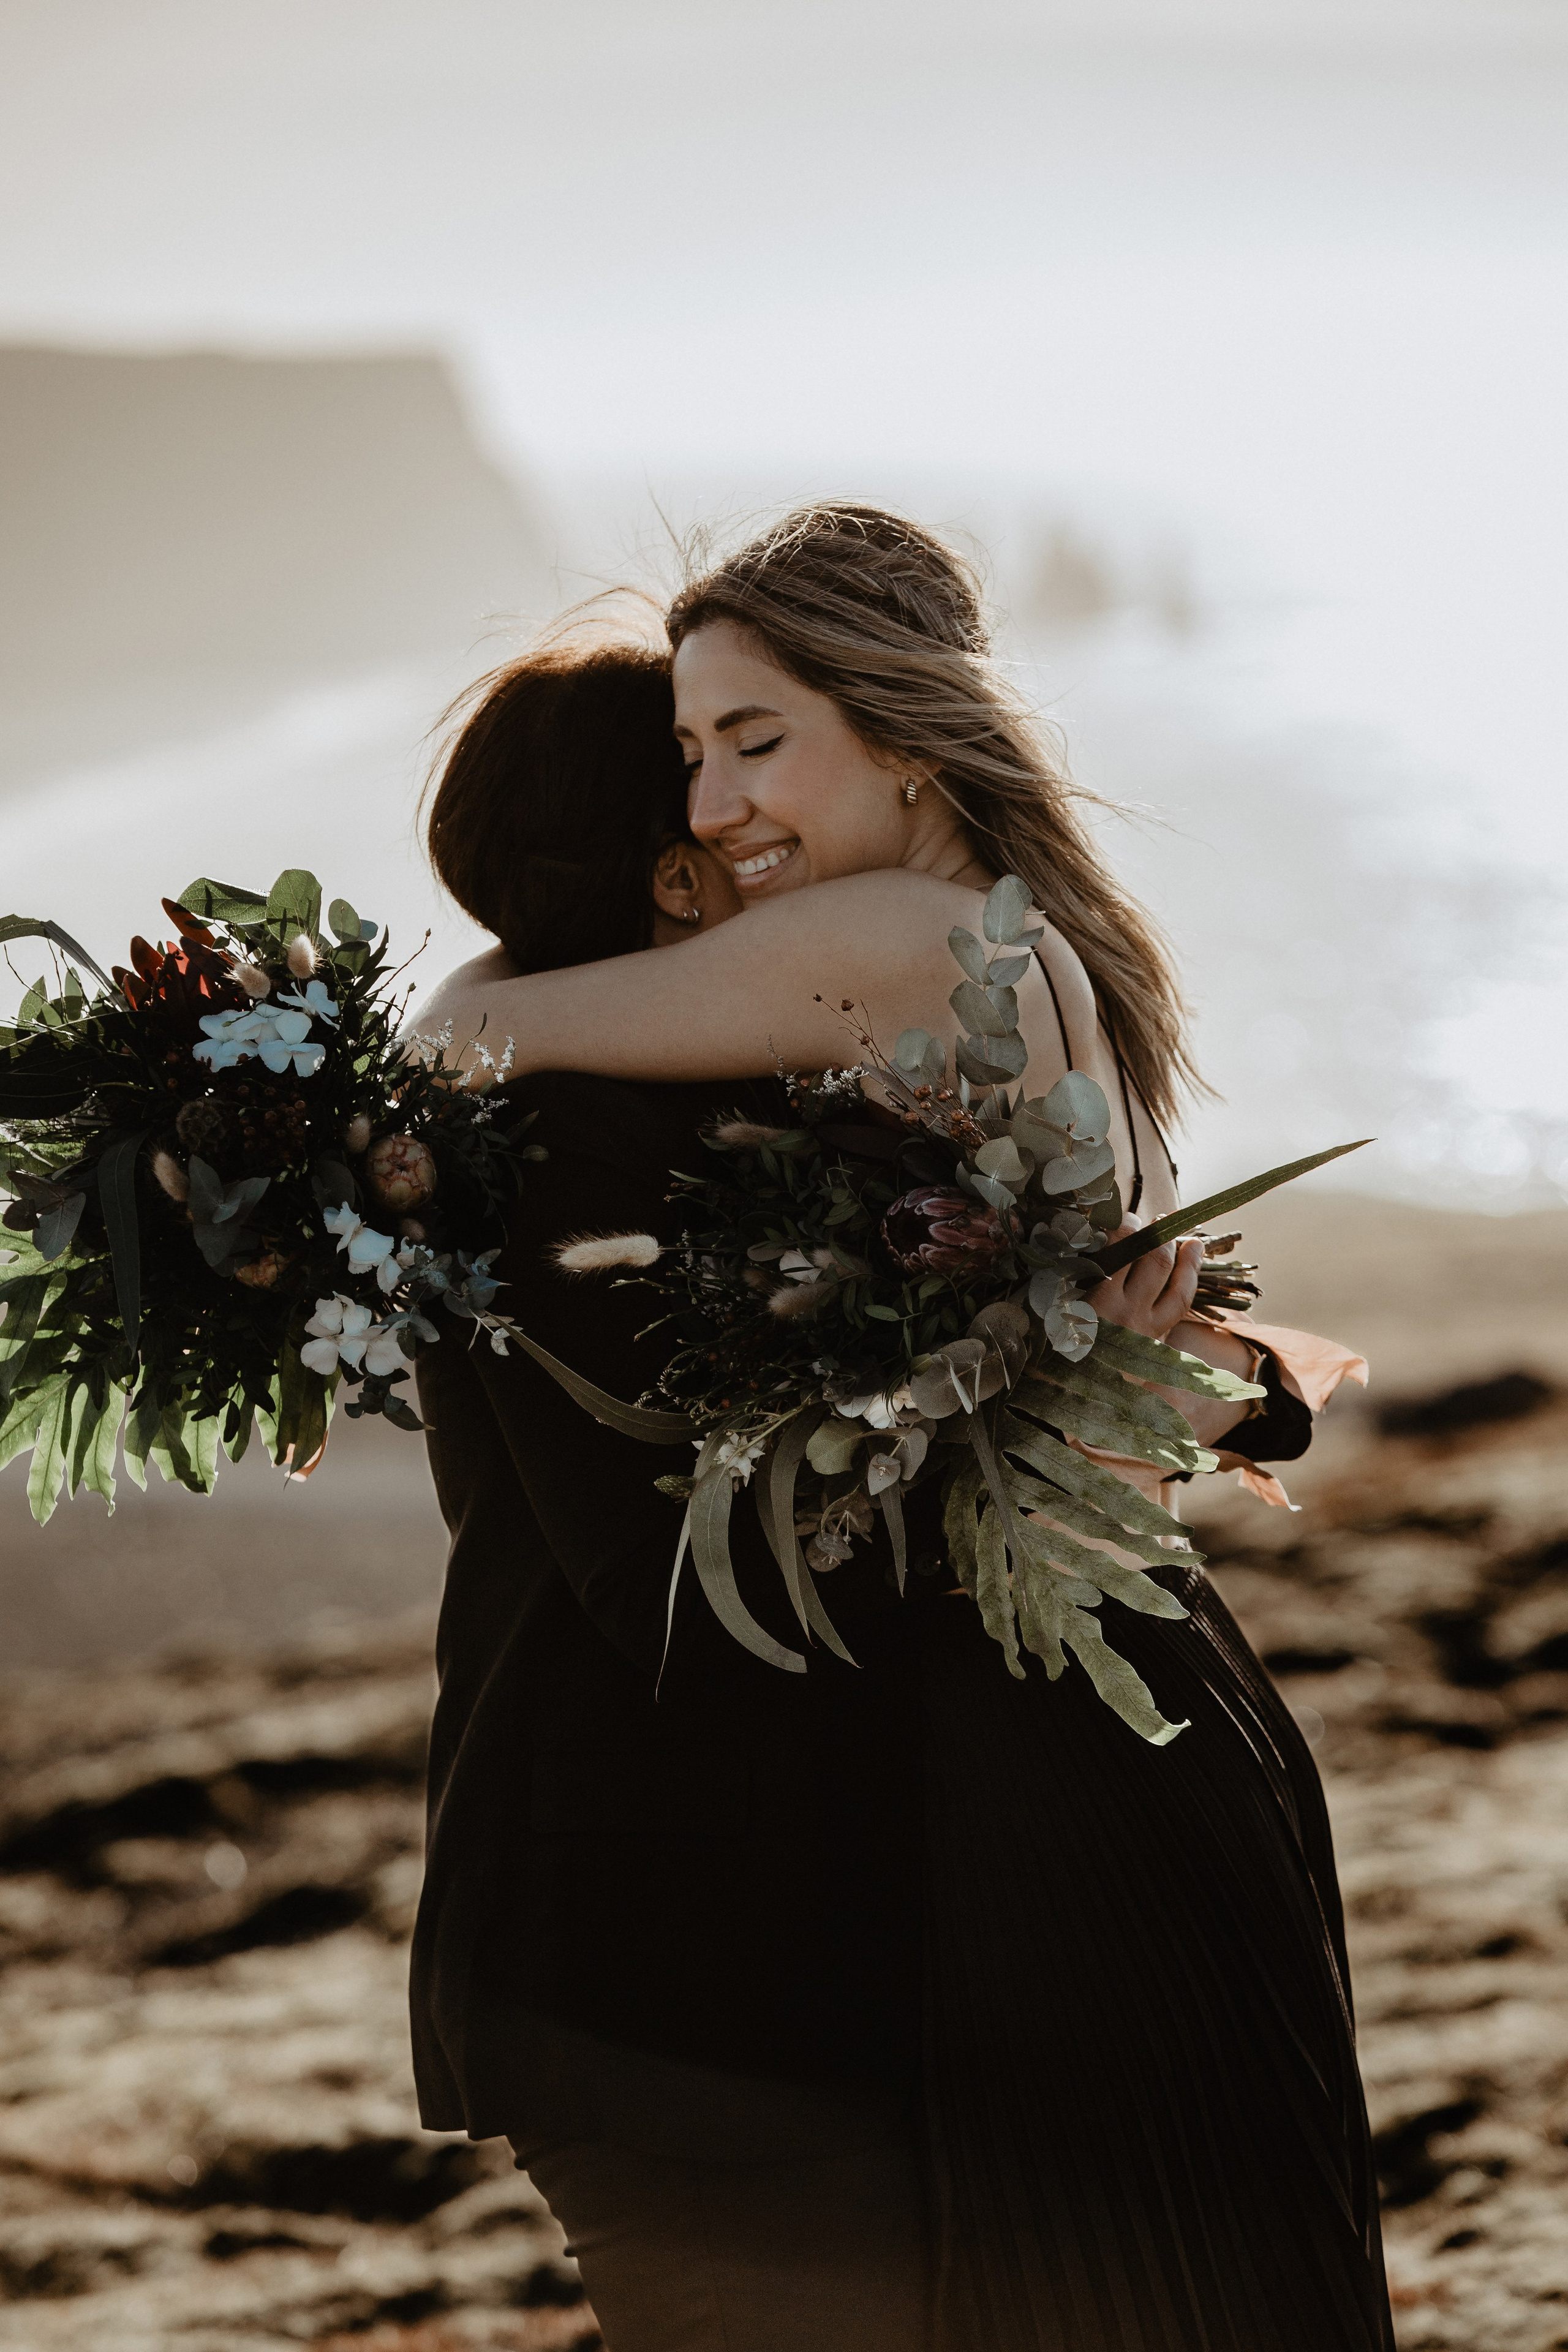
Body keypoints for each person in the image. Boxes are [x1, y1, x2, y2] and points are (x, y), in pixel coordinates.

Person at [415, 511, 1393, 2351]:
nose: (708, 810)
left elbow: (482, 1040)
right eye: (690, 755)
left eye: (755, 743)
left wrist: (423, 1043)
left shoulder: (905, 934)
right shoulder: (1034, 942)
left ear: (911, 740)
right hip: (1113, 1704)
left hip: (1049, 1755)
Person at [410, 633, 932, 2352]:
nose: (751, 827)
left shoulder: (663, 1102)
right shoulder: (556, 1152)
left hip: (718, 1936)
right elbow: (674, 1570)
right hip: (651, 1952)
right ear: (663, 872)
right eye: (709, 792)